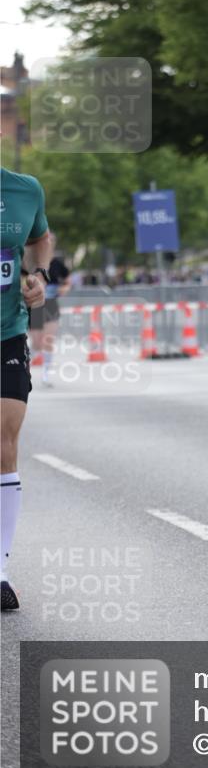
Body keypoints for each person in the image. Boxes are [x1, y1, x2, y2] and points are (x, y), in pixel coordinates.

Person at [1, 166, 51, 610]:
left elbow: (40, 237)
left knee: (4, 439)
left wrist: (39, 276)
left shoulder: (24, 188)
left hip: (7, 333)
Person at [28, 233, 71, 387]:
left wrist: (64, 288)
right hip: (35, 306)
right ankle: (24, 368)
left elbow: (67, 281)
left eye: (50, 242)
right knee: (37, 343)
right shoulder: (32, 262)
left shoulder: (57, 264)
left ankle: (46, 375)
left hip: (51, 305)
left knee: (48, 341)